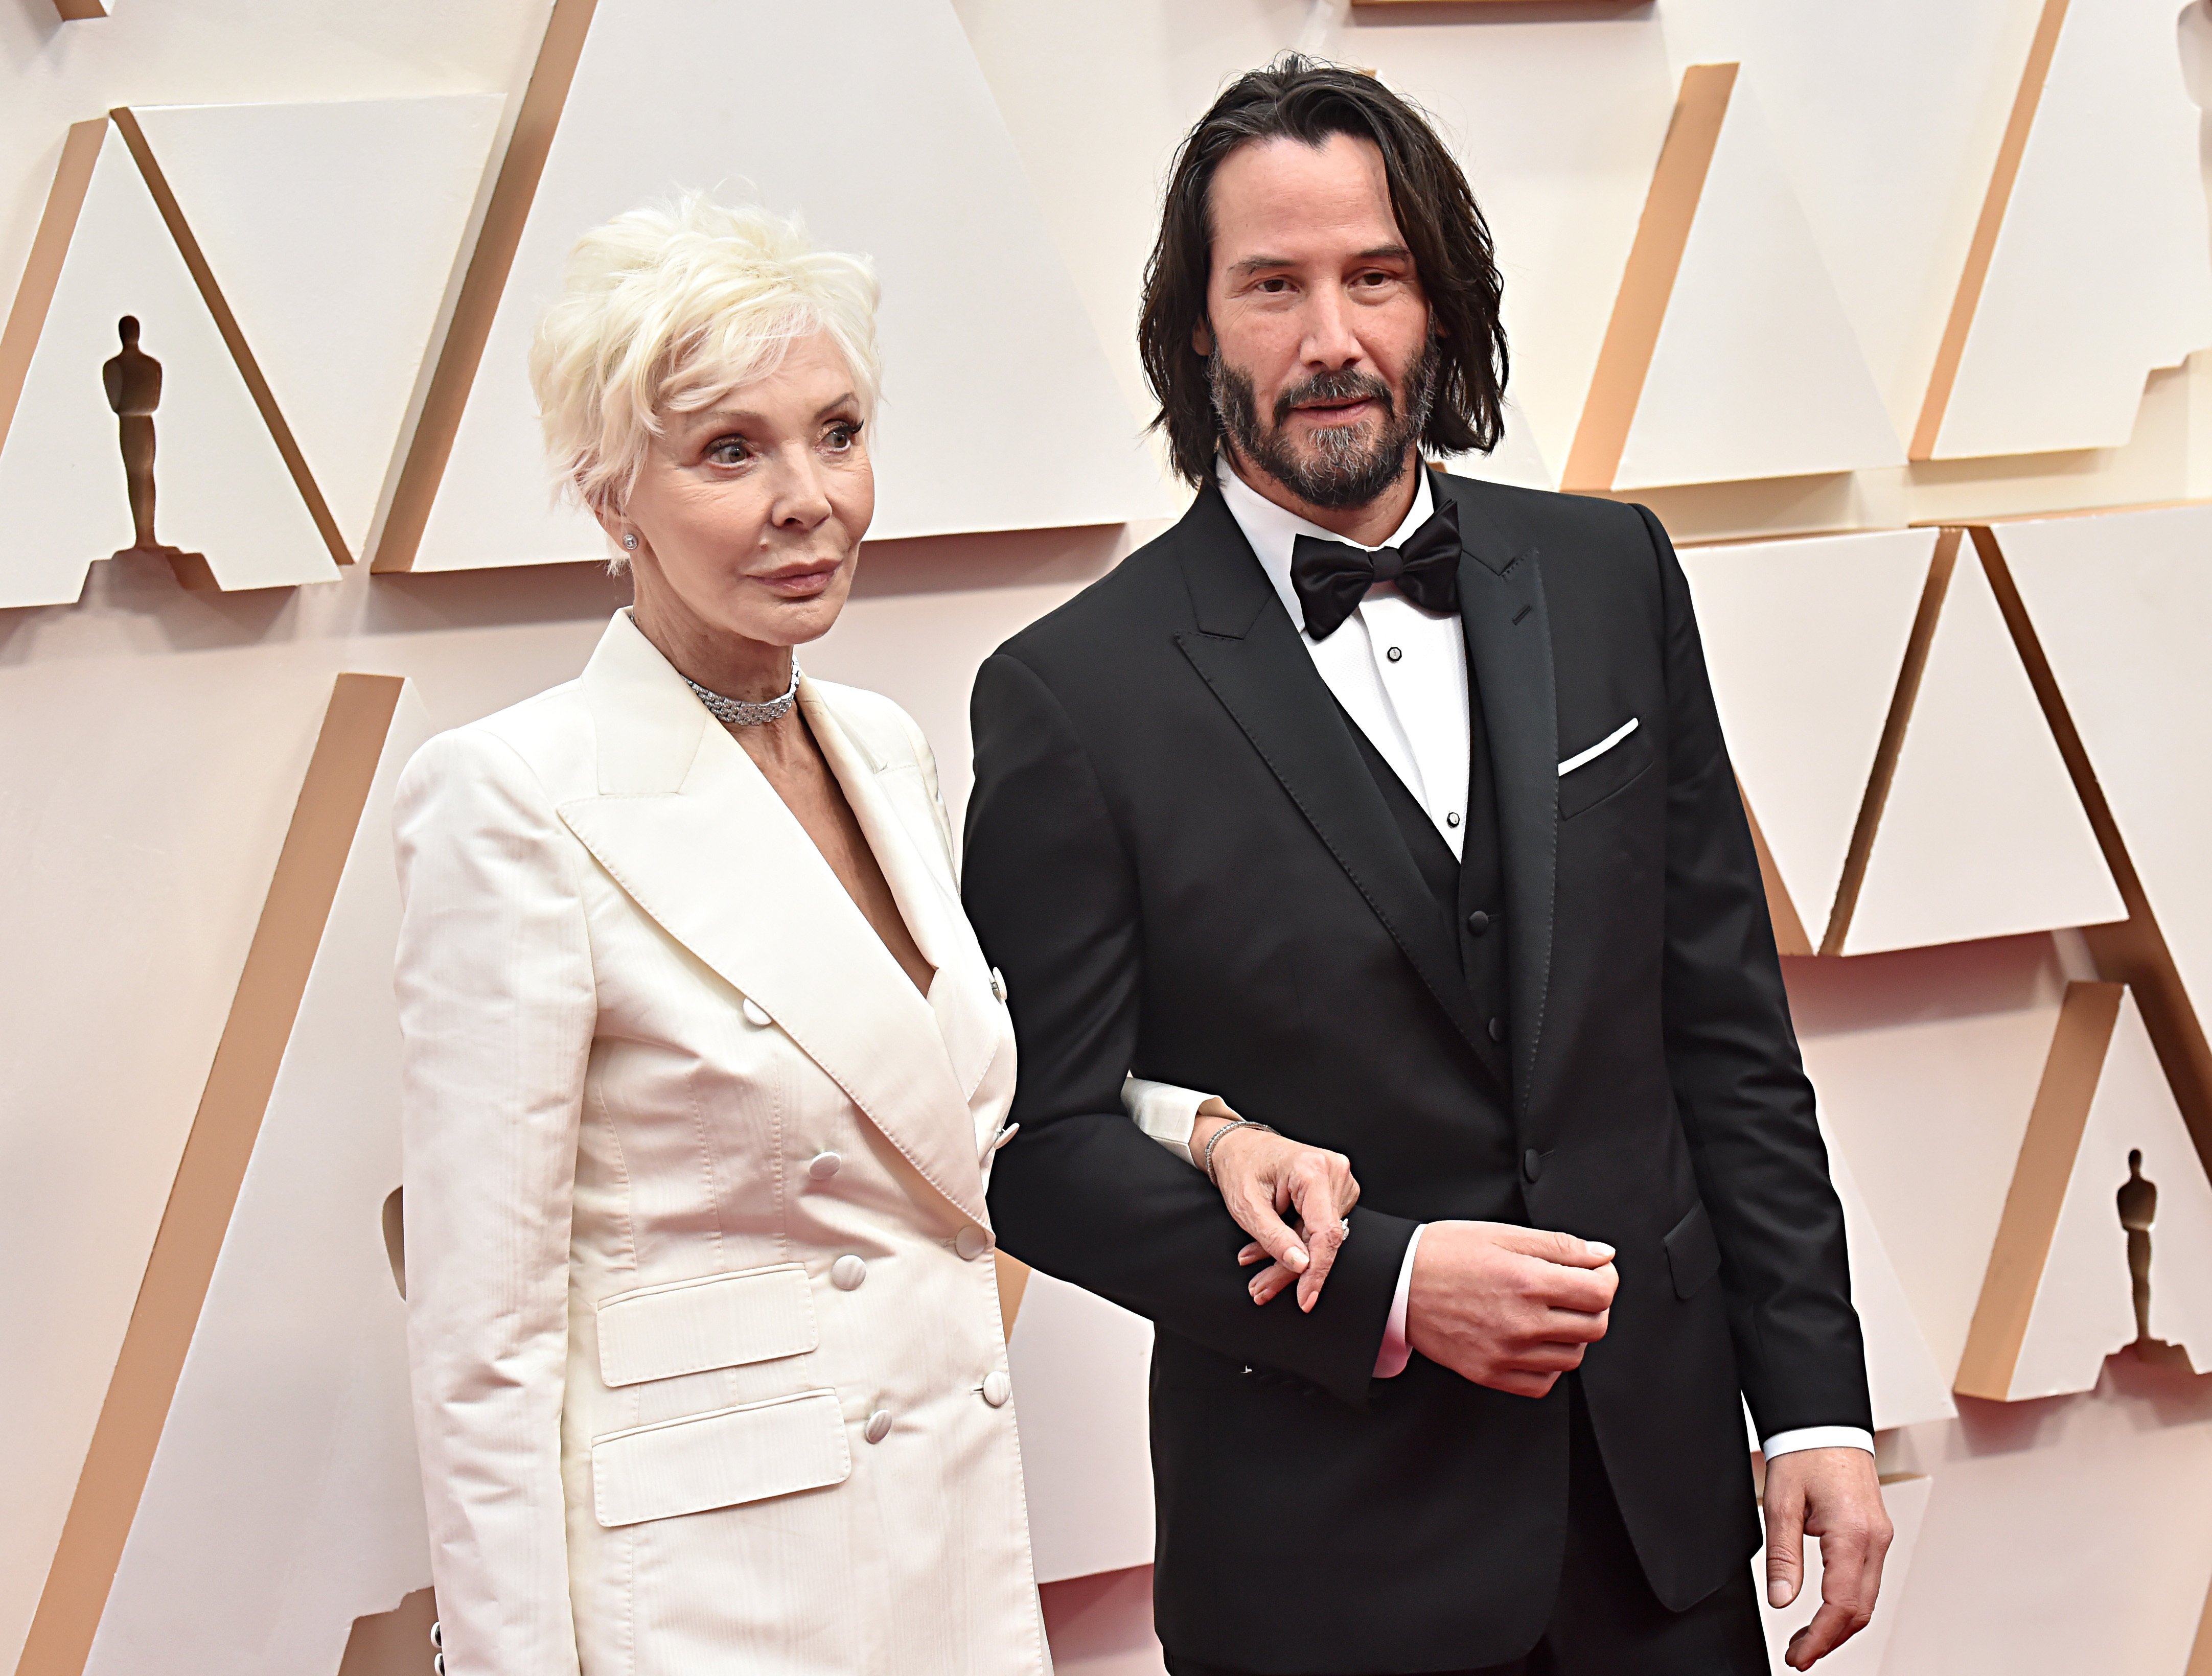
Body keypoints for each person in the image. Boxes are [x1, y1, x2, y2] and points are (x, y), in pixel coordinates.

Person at [963, 57, 1891, 1676]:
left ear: (1438, 302)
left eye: (1374, 277)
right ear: (1197, 327)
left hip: (1657, 1526)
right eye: (1272, 286)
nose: (1331, 339)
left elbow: (1725, 1033)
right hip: (1327, 1569)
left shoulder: (1614, 575)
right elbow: (1045, 1147)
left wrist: (1812, 1396)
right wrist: (1383, 1285)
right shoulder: (1071, 695)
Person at [390, 194, 1283, 1676]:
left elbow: (937, 1105)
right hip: (711, 1601)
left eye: (839, 431)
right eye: (730, 449)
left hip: (939, 1543)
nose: (808, 495)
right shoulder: (512, 799)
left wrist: (1207, 1133)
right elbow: (483, 1351)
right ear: (614, 494)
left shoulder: (879, 748)